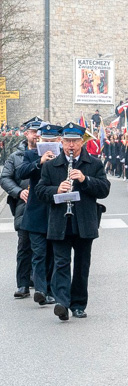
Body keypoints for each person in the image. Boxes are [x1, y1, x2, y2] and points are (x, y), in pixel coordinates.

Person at [35, 122, 111, 321]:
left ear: (81, 142)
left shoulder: (93, 164)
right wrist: (56, 190)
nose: (70, 145)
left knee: (81, 265)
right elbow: (40, 191)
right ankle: (62, 303)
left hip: (84, 221)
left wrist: (85, 180)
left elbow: (104, 189)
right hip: (60, 221)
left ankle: (78, 304)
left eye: (75, 141)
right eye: (67, 141)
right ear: (61, 142)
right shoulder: (51, 165)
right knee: (61, 263)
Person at [17, 122, 60, 306]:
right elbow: (21, 172)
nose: (48, 142)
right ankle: (41, 290)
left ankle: (50, 290)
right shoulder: (30, 155)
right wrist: (39, 162)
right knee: (39, 253)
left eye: (52, 140)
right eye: (45, 139)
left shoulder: (64, 157)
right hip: (35, 212)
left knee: (52, 253)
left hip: (55, 211)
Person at [1, 118, 39, 299]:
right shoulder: (16, 156)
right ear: (27, 133)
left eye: (40, 132)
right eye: (34, 132)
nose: (37, 135)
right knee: (25, 245)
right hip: (23, 206)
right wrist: (18, 191)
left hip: (44, 205)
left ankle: (40, 283)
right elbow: (5, 178)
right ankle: (23, 284)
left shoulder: (49, 153)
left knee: (43, 246)